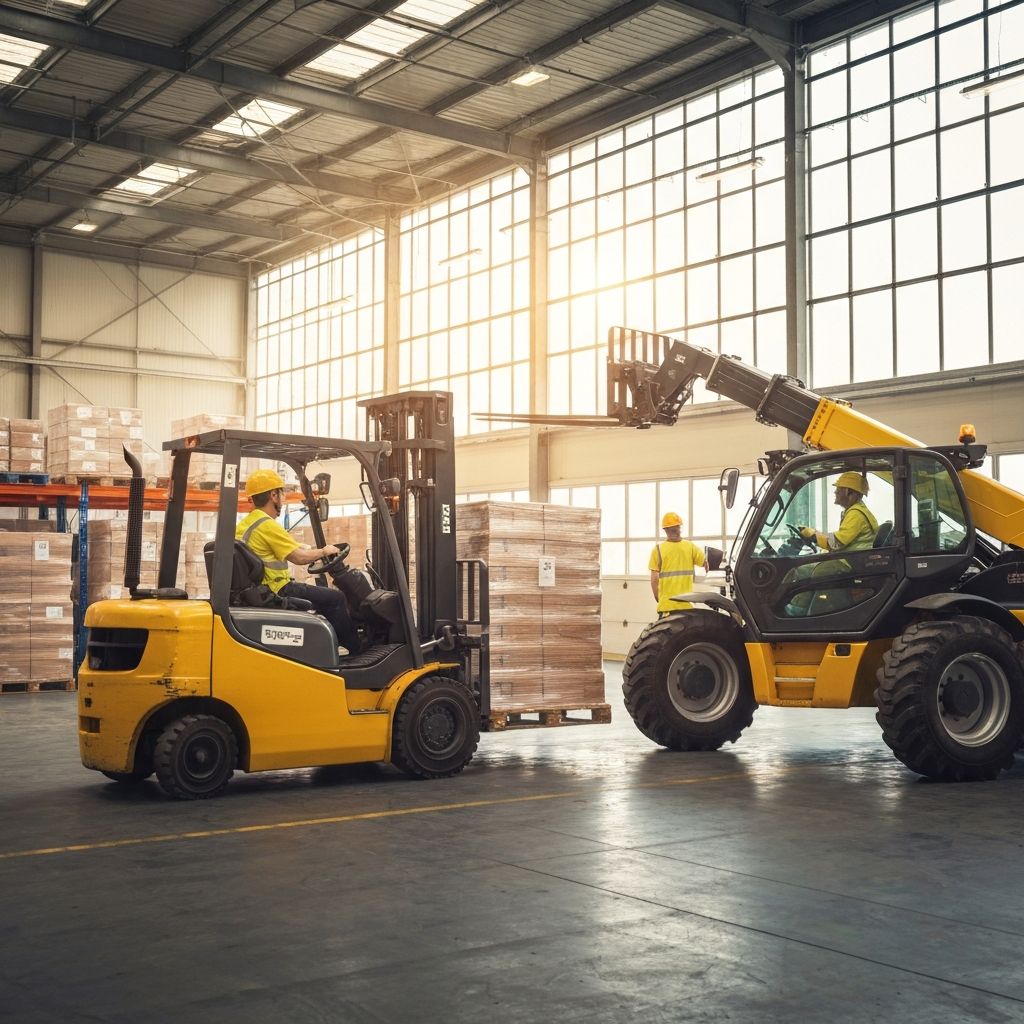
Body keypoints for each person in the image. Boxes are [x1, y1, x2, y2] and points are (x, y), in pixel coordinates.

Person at [236, 469, 361, 655]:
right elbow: (299, 558)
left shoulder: (246, 524)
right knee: (336, 599)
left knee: (322, 598)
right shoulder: (267, 524)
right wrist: (324, 551)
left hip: (258, 590)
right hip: (277, 589)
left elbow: (277, 549)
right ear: (273, 495)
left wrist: (307, 549)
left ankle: (331, 646)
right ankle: (357, 649)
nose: (283, 497)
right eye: (281, 493)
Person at [799, 472, 878, 553]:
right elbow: (839, 539)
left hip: (850, 562)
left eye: (839, 490)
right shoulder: (856, 510)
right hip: (851, 558)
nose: (835, 492)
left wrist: (813, 535)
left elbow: (837, 543)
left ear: (850, 493)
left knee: (806, 566)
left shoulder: (856, 514)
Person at [649, 511, 706, 615]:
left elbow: (654, 580)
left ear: (665, 530)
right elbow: (707, 563)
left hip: (667, 607)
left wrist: (659, 599)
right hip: (686, 606)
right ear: (679, 528)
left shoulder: (658, 550)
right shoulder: (691, 547)